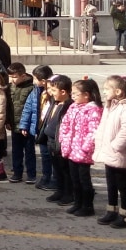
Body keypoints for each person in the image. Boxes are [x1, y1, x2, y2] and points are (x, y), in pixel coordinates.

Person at [93, 76, 126, 228]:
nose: (104, 92)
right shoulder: (110, 105)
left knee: (122, 185)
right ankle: (111, 210)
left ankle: (125, 215)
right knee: (110, 183)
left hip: (118, 152)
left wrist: (116, 146)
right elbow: (103, 126)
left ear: (118, 91)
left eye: (107, 89)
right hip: (109, 151)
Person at [59, 78, 103, 216]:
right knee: (74, 178)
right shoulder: (73, 107)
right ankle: (77, 203)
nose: (73, 96)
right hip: (71, 149)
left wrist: (86, 148)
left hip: (83, 151)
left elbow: (93, 132)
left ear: (87, 95)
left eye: (76, 94)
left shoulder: (93, 110)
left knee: (84, 180)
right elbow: (64, 124)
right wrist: (64, 139)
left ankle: (87, 206)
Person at [17, 65, 53, 188]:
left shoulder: (54, 92)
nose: (33, 81)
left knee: (52, 157)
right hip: (39, 128)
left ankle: (53, 179)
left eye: (35, 79)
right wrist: (24, 126)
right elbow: (28, 109)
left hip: (50, 130)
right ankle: (45, 177)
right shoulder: (35, 91)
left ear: (43, 81)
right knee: (44, 155)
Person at [42, 75, 75, 205]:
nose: (51, 93)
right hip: (51, 141)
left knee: (65, 169)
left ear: (63, 92)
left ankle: (68, 194)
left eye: (54, 90)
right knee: (57, 168)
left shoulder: (68, 106)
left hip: (61, 142)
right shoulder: (55, 103)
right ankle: (59, 190)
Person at [6, 63, 34, 183]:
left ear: (23, 76)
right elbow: (7, 106)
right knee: (16, 151)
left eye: (15, 77)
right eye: (10, 77)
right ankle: (17, 173)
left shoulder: (31, 88)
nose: (12, 79)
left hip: (26, 126)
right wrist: (7, 120)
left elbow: (33, 109)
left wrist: (28, 125)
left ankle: (31, 175)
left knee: (29, 151)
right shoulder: (10, 87)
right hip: (14, 124)